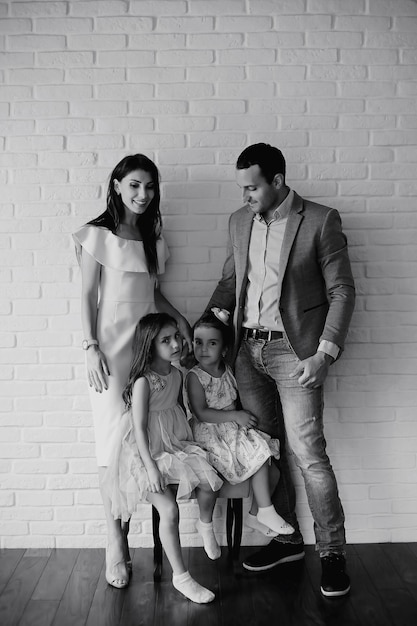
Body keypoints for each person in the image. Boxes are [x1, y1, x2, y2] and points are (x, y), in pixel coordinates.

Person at [206, 143, 355, 597]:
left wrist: (323, 354)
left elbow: (342, 291)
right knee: (266, 451)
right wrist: (204, 327)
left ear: (277, 180)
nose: (245, 195)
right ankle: (287, 538)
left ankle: (332, 553)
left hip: (296, 355)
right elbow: (232, 284)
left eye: (252, 187)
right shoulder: (238, 221)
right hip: (247, 353)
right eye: (242, 188)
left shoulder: (320, 220)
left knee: (309, 454)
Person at [73, 154, 192, 589]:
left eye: (151, 187)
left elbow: (154, 297)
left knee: (141, 437)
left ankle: (129, 535)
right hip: (108, 350)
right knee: (111, 445)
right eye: (136, 186)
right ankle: (115, 541)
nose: (144, 195)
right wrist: (90, 348)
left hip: (146, 350)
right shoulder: (96, 236)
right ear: (118, 184)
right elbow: (87, 296)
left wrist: (180, 321)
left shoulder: (153, 238)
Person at [102, 313, 222, 603]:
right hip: (144, 455)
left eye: (177, 337)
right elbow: (140, 430)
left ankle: (205, 525)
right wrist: (151, 468)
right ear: (150, 345)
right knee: (169, 511)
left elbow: (177, 414)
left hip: (172, 446)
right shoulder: (144, 382)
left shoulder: (178, 374)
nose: (176, 343)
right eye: (165, 340)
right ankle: (181, 577)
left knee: (210, 480)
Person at [185, 308, 295, 541]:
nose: (203, 349)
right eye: (198, 342)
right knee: (262, 455)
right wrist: (236, 416)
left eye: (211, 343)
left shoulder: (229, 370)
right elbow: (201, 413)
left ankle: (257, 514)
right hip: (211, 434)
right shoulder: (195, 376)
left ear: (224, 349)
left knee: (272, 467)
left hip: (232, 431)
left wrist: (239, 419)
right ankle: (265, 511)